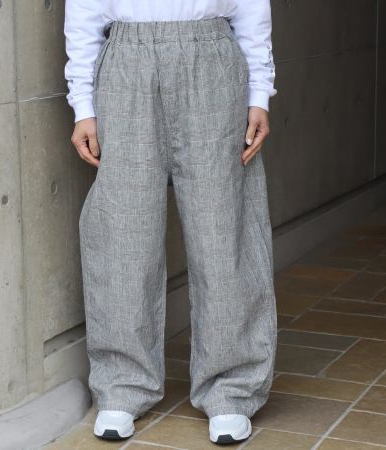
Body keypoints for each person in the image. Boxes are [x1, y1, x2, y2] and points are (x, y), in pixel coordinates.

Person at [64, 0, 278, 445]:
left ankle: (232, 389)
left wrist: (259, 91)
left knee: (224, 229)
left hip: (213, 57)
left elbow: (252, 7)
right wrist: (82, 104)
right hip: (125, 62)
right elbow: (84, 10)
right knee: (123, 231)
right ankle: (122, 384)